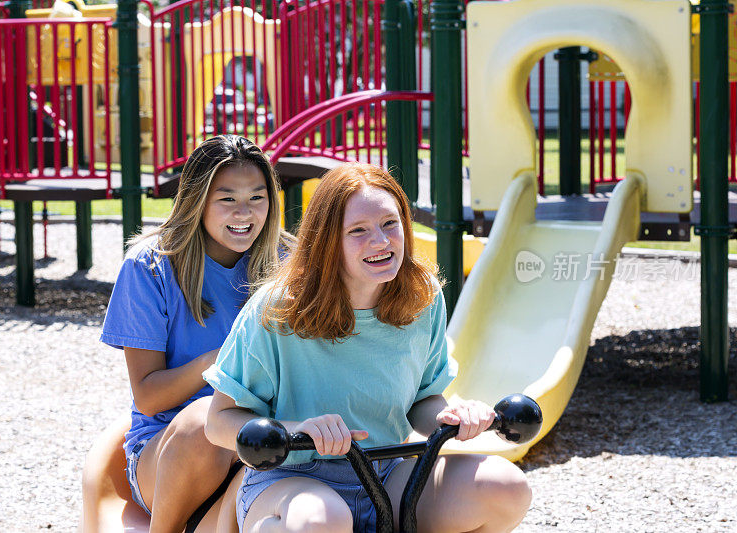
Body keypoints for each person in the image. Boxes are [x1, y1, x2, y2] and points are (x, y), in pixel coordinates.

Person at [203, 162, 532, 533]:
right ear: (327, 243)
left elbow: (423, 401)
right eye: (358, 230)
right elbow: (218, 422)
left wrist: (451, 416)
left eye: (390, 224)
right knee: (321, 520)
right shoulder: (277, 310)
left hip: (387, 472)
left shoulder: (422, 297)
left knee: (508, 487)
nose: (381, 241)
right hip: (292, 480)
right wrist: (299, 430)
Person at [100, 135, 292, 533]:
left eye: (258, 198)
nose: (245, 213)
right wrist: (217, 363)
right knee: (207, 420)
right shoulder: (149, 267)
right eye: (227, 199)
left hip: (269, 445)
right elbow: (149, 397)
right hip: (170, 452)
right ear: (197, 201)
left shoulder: (288, 262)